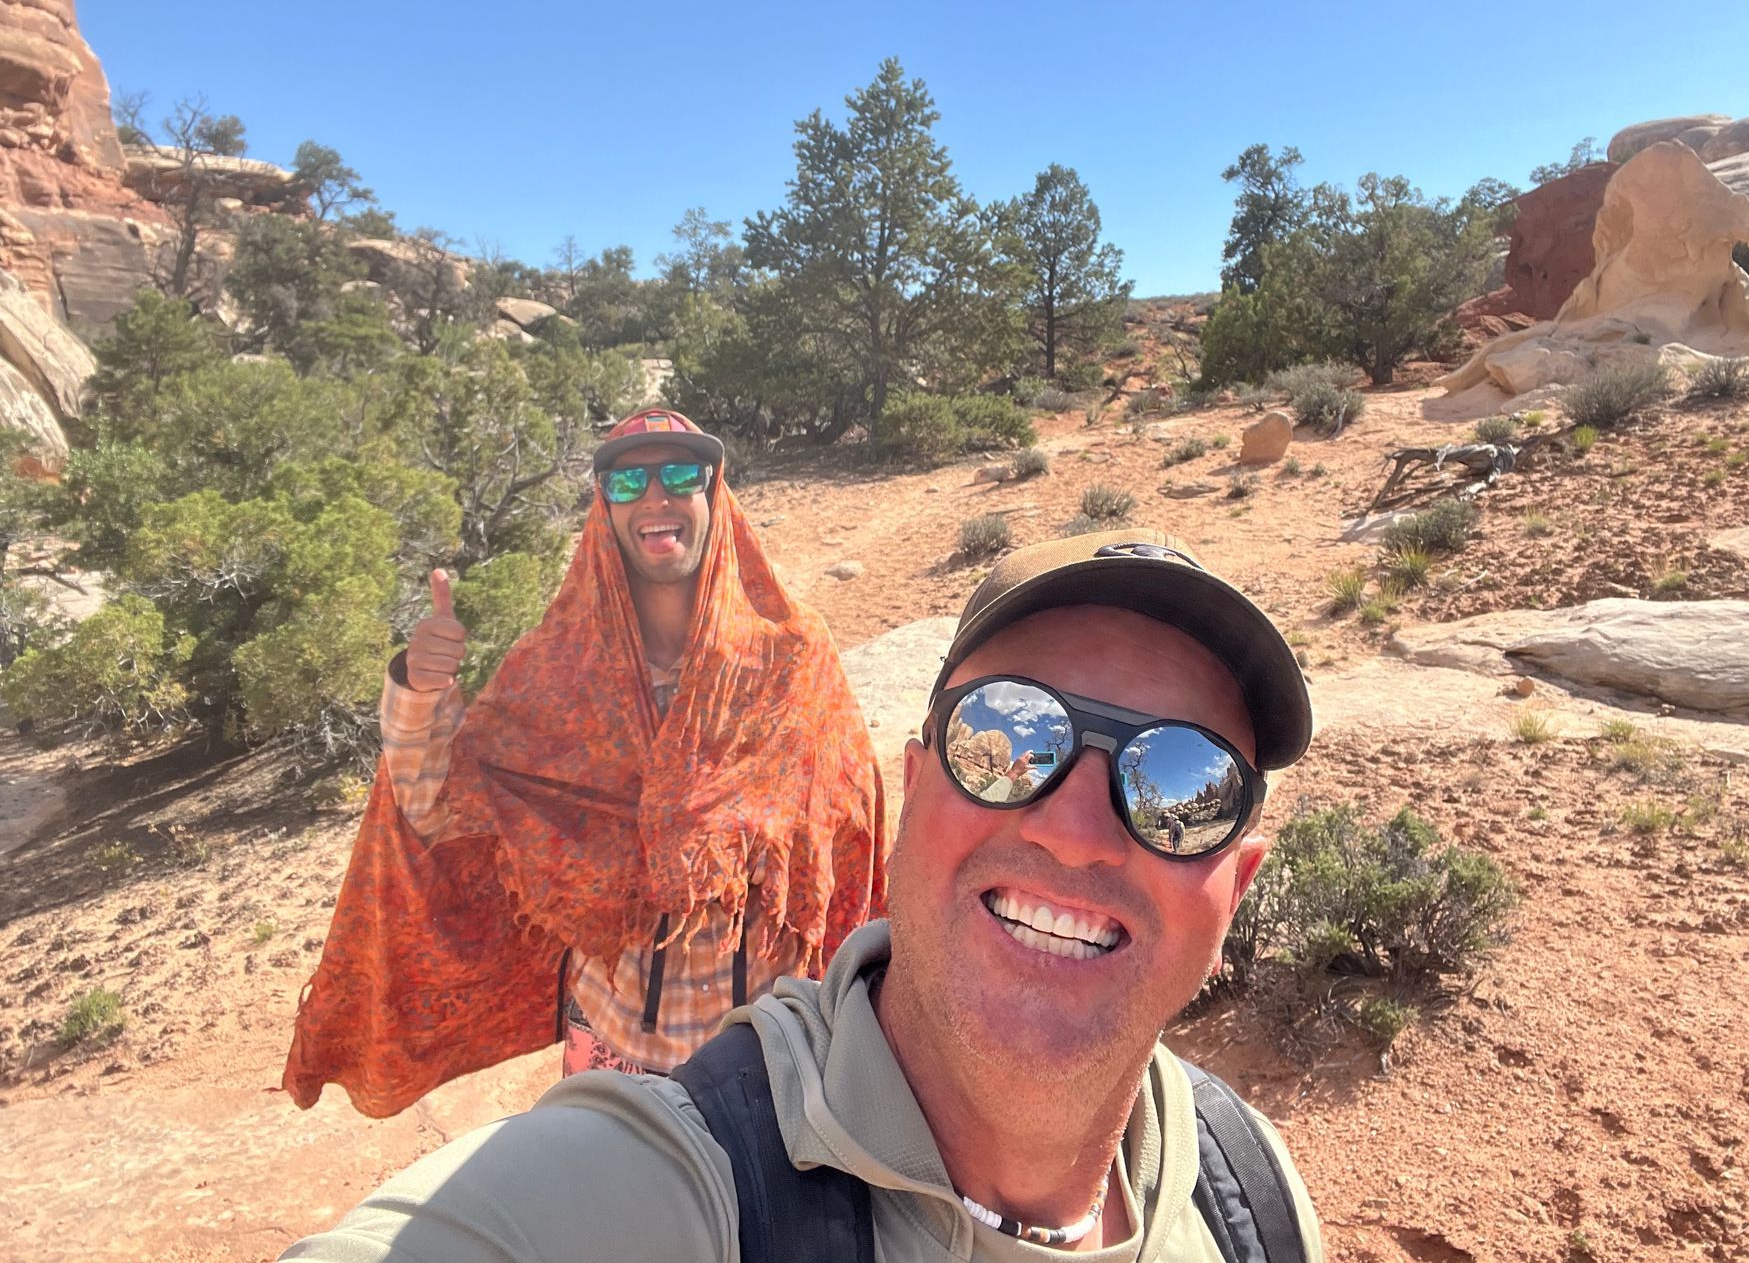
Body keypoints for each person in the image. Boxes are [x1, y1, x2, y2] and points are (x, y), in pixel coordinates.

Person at [284, 528, 1323, 1261]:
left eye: (1181, 786)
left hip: (758, 1023)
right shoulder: (562, 688)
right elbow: (454, 813)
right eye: (1008, 740)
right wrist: (421, 703)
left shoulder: (1245, 1193)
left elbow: (845, 853)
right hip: (656, 1071)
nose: (1072, 825)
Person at [282, 409, 889, 1117]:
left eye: (680, 473)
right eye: (628, 479)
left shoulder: (791, 656)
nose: (655, 497)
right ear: (604, 508)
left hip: (768, 1055)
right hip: (611, 1053)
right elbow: (437, 810)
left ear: (714, 490)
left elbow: (854, 832)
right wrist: (421, 691)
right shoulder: (554, 674)